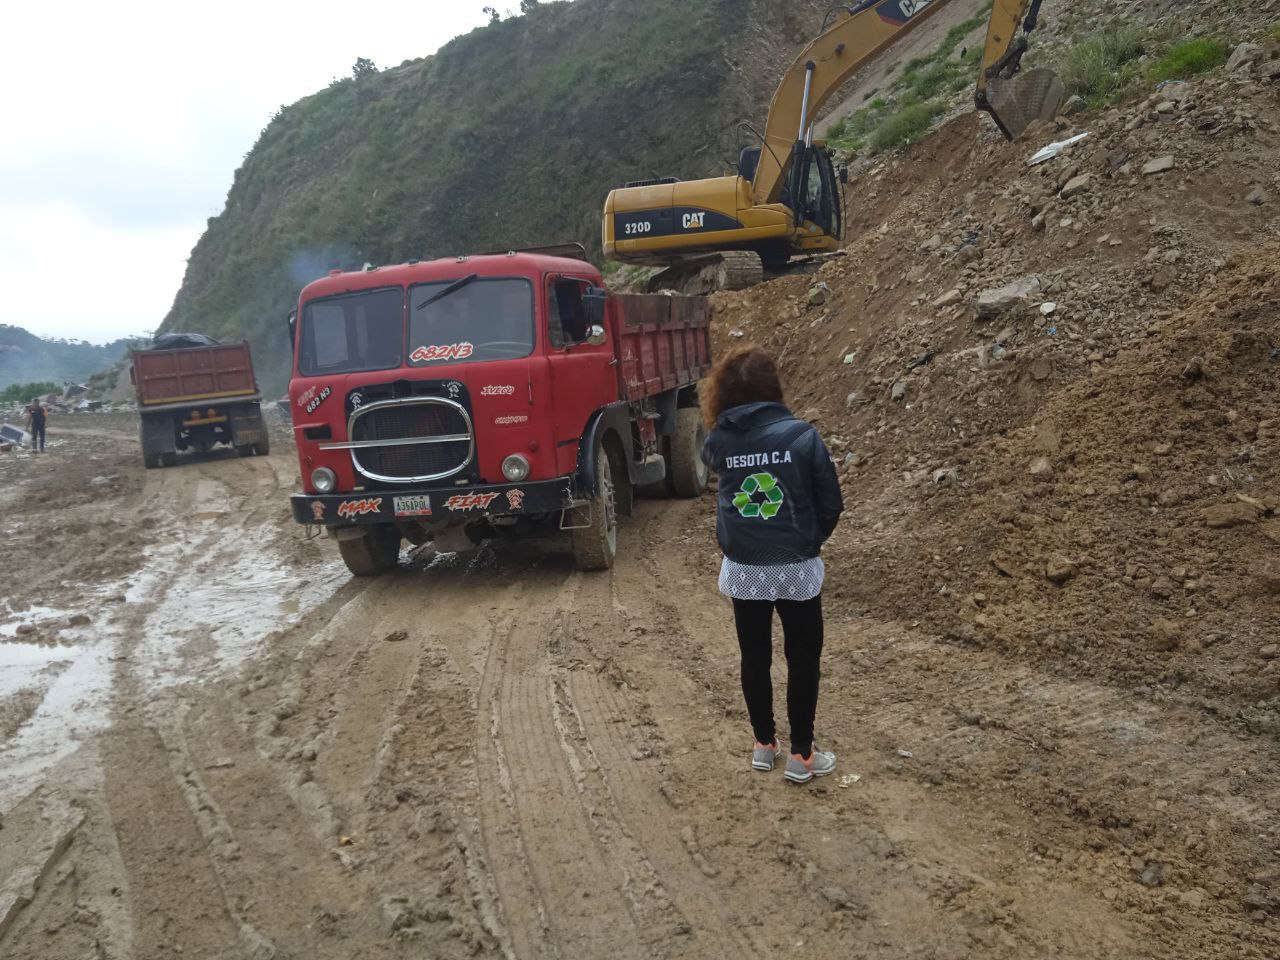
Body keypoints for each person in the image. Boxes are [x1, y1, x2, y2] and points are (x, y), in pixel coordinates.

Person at [700, 345, 844, 784]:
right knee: (803, 657)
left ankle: (764, 744)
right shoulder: (802, 437)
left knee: (754, 655)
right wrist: (808, 540)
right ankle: (802, 754)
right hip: (797, 567)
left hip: (744, 567)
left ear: (723, 391)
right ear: (773, 387)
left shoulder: (717, 443)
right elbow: (831, 503)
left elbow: (720, 474)